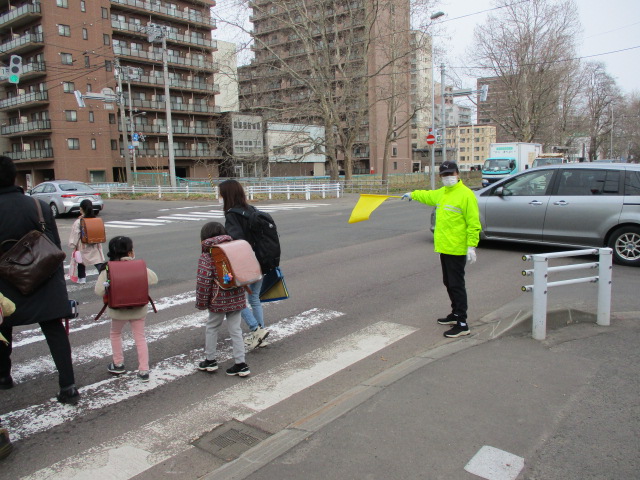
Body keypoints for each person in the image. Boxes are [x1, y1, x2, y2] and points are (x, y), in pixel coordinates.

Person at [0, 156, 80, 404]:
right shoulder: (38, 206)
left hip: (5, 283)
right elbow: (53, 247)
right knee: (54, 330)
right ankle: (68, 386)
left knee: (3, 328)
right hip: (43, 279)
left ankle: (4, 377)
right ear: (14, 176)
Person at [402, 161, 481, 338]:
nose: (448, 178)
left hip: (458, 248)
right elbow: (428, 196)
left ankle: (462, 323)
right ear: (441, 177)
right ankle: (455, 314)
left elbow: (473, 223)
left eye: (451, 174)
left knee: (456, 284)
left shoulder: (466, 195)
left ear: (458, 174)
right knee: (448, 282)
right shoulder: (443, 193)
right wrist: (412, 194)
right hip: (445, 247)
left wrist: (471, 246)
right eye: (445, 175)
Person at [95, 236, 157, 382]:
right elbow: (154, 279)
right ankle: (143, 370)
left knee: (115, 333)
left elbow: (99, 291)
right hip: (138, 309)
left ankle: (118, 364)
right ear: (130, 252)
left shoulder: (107, 269)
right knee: (140, 337)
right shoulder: (138, 266)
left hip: (118, 310)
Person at [219, 179, 270, 350]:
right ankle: (261, 333)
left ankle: (256, 329)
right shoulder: (252, 210)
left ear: (227, 194)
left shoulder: (232, 214)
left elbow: (236, 242)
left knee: (236, 299)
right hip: (261, 259)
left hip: (245, 262)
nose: (218, 196)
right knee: (254, 298)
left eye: (220, 193)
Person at [195, 222, 250, 377]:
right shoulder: (234, 249)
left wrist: (201, 303)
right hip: (237, 296)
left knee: (212, 327)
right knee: (236, 330)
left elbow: (203, 282)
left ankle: (210, 360)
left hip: (218, 299)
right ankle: (241, 364)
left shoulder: (208, 255)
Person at [68, 199, 105, 284]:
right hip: (95, 244)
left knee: (81, 261)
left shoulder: (79, 221)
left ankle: (82, 278)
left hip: (83, 245)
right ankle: (104, 277)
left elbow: (75, 234)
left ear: (81, 209)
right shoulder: (96, 220)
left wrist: (73, 244)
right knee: (97, 261)